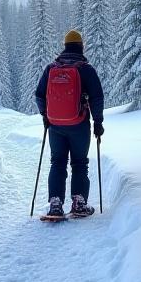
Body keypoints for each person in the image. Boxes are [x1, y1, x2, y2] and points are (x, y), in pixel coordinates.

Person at [34, 30, 104, 219]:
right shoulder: (86, 69)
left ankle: (55, 204)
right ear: (81, 46)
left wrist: (45, 116)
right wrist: (98, 122)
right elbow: (97, 98)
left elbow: (39, 96)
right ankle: (79, 203)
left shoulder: (51, 68)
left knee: (57, 162)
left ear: (65, 46)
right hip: (79, 125)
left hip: (55, 126)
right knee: (79, 163)